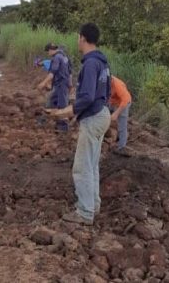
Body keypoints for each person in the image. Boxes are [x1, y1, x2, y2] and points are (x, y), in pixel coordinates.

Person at [45, 23, 111, 226]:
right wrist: (75, 115)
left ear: (82, 38)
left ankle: (84, 213)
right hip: (102, 114)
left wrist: (66, 111)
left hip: (94, 117)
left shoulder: (91, 64)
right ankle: (94, 204)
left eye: (77, 37)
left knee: (82, 167)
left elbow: (87, 97)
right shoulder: (102, 61)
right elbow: (104, 93)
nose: (77, 41)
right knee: (92, 165)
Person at [109, 75, 132, 157]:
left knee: (122, 125)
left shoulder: (117, 85)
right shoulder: (102, 81)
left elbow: (125, 99)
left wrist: (116, 113)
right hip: (112, 101)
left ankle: (121, 147)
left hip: (124, 103)